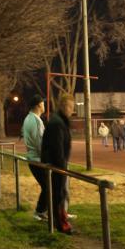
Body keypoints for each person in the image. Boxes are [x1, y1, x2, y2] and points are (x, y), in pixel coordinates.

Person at [41, 93, 75, 234]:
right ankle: (61, 224)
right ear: (64, 106)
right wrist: (62, 168)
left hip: (57, 164)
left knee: (59, 194)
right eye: (71, 107)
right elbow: (57, 149)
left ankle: (60, 220)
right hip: (57, 166)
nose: (72, 110)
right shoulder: (57, 123)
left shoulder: (59, 122)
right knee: (58, 194)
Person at [21, 94, 47, 221]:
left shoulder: (28, 118)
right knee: (49, 186)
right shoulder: (36, 120)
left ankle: (44, 211)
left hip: (33, 159)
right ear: (38, 105)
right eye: (43, 103)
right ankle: (40, 211)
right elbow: (39, 143)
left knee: (48, 186)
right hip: (37, 160)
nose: (44, 105)